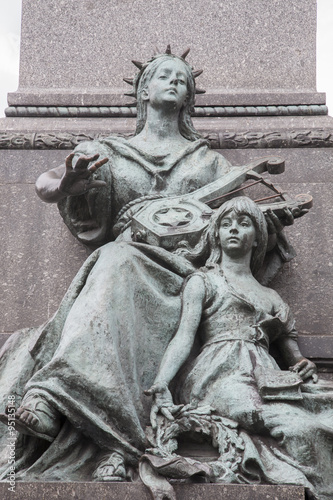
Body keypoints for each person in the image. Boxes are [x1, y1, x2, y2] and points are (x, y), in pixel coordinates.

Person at [0, 48, 292, 483]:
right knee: (117, 260)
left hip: (190, 271)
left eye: (182, 79)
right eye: (165, 76)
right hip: (128, 260)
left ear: (190, 97)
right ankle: (55, 396)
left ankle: (58, 400)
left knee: (118, 263)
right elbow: (45, 185)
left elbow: (245, 212)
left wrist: (266, 221)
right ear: (142, 90)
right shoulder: (109, 153)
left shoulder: (209, 162)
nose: (175, 82)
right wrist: (70, 180)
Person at [146, 197, 333, 500]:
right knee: (292, 426)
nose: (234, 229)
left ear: (258, 236)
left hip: (268, 379)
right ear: (215, 234)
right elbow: (183, 336)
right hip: (219, 374)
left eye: (244, 223)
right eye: (226, 224)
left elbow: (292, 353)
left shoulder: (270, 296)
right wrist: (162, 383)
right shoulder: (203, 281)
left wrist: (302, 363)